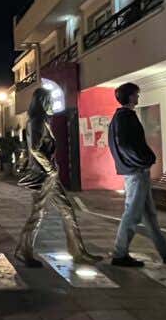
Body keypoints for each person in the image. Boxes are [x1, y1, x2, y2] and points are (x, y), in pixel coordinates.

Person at [14, 88, 102, 267]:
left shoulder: (43, 121)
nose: (53, 104)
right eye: (50, 101)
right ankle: (24, 251)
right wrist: (50, 169)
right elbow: (35, 149)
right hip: (43, 175)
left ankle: (77, 251)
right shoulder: (36, 121)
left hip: (49, 175)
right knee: (38, 213)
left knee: (66, 210)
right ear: (42, 102)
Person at [109, 82, 166, 267]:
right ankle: (120, 254)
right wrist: (143, 160)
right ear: (129, 97)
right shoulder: (124, 117)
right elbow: (125, 145)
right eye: (136, 94)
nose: (138, 98)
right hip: (136, 172)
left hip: (135, 170)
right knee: (133, 214)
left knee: (149, 214)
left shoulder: (121, 117)